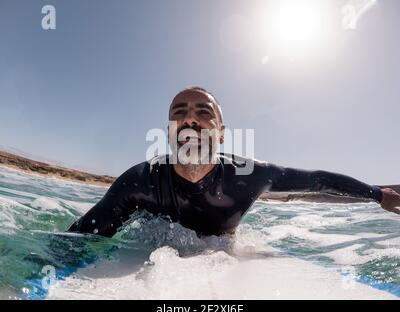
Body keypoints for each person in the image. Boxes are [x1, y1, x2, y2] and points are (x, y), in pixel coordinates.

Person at [68, 87, 400, 237]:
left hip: (223, 246)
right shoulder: (140, 181)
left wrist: (377, 195)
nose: (191, 120)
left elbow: (316, 179)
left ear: (222, 133)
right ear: (169, 131)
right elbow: (81, 237)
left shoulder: (250, 176)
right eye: (179, 113)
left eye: (203, 113)